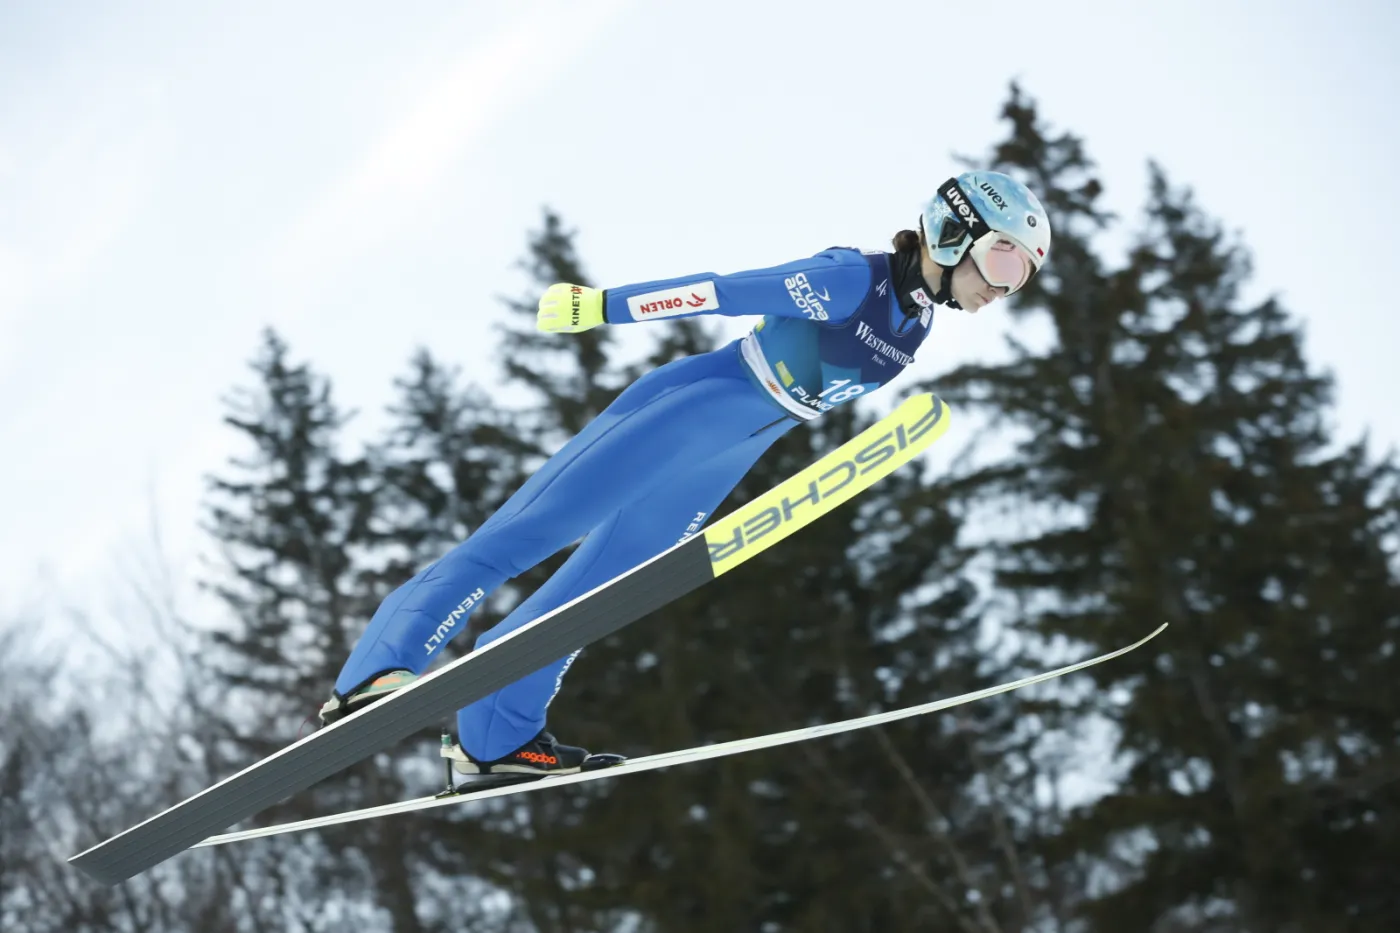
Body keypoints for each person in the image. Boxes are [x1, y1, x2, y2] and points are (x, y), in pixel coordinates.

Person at [317, 171, 1052, 776]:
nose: (1004, 288)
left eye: (1021, 277)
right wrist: (599, 306)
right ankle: (376, 670)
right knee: (531, 531)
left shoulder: (916, 320)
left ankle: (493, 737)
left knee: (601, 593)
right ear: (953, 230)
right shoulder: (848, 280)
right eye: (1005, 262)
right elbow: (721, 290)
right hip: (695, 405)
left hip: (739, 444)